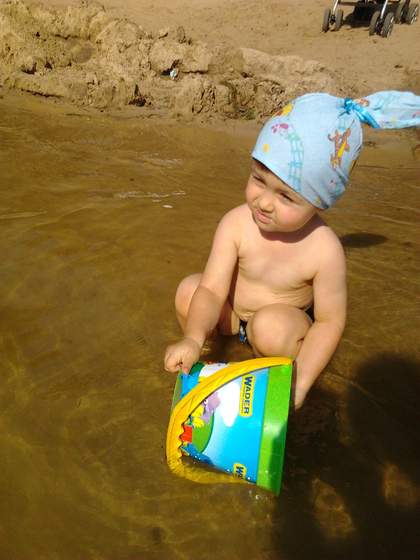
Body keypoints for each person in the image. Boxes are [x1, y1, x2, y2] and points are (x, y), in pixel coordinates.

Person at [164, 91, 420, 408]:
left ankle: (278, 377)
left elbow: (329, 322)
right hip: (233, 315)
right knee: (189, 291)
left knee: (268, 328)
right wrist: (192, 338)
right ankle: (203, 362)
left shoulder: (324, 249)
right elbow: (212, 289)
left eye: (285, 196)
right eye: (258, 180)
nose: (264, 202)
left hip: (282, 326)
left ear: (319, 203)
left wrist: (301, 383)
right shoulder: (236, 223)